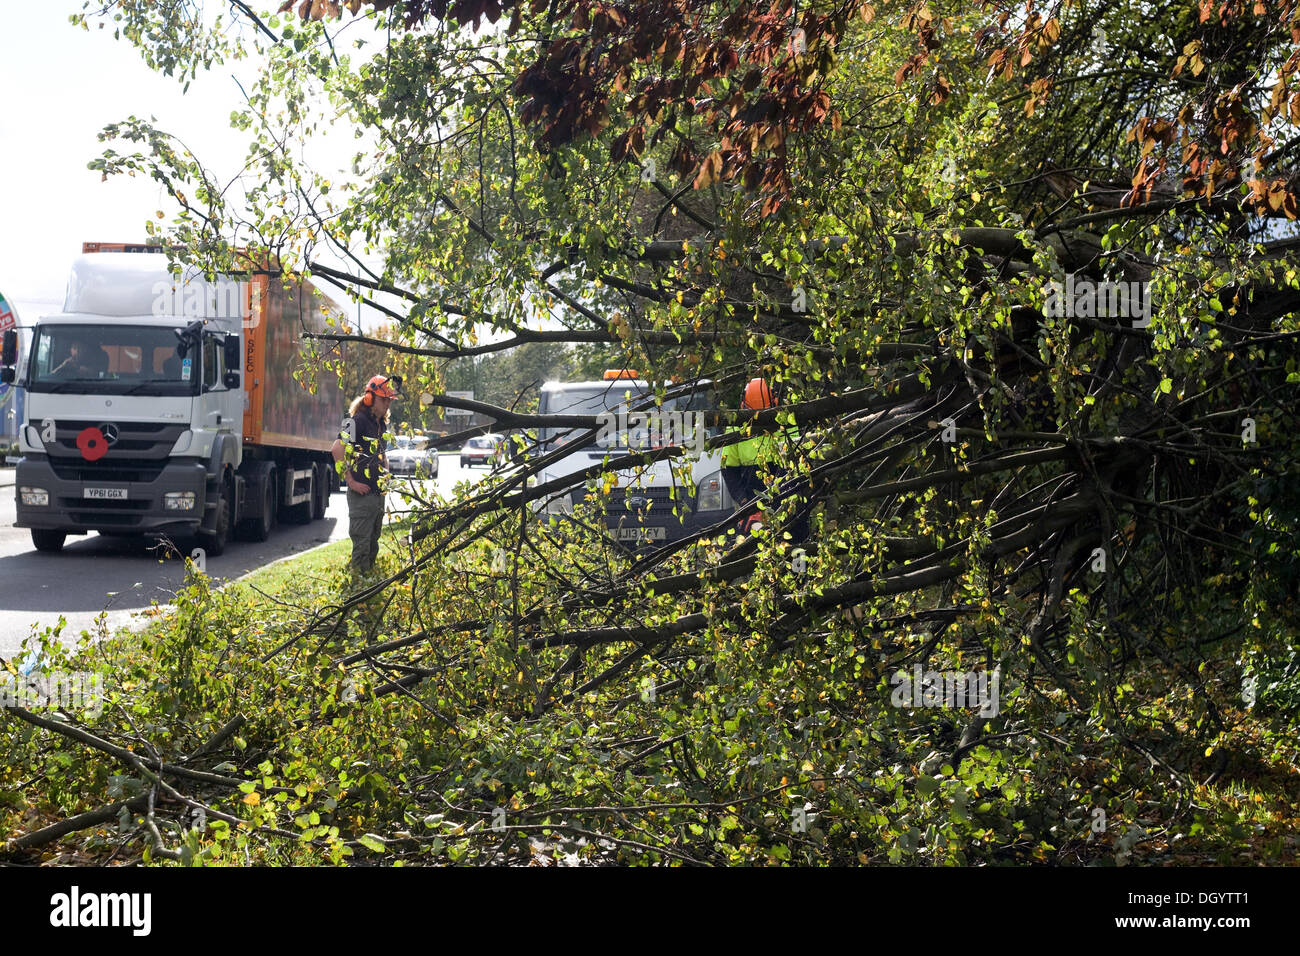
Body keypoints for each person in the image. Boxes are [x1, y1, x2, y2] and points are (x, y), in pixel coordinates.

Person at [720, 377, 807, 540]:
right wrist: (745, 501)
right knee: (753, 547)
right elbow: (728, 470)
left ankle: (799, 563)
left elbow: (792, 463)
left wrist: (780, 500)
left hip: (785, 489)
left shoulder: (785, 423)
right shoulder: (735, 428)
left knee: (796, 541)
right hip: (751, 494)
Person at [332, 374, 401, 574]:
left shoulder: (381, 425)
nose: (387, 403)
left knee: (373, 544)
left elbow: (382, 455)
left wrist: (386, 475)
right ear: (370, 398)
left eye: (389, 400)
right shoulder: (355, 421)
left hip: (377, 494)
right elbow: (337, 449)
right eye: (383, 399)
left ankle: (369, 585)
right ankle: (358, 587)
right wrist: (350, 482)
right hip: (361, 496)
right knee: (361, 546)